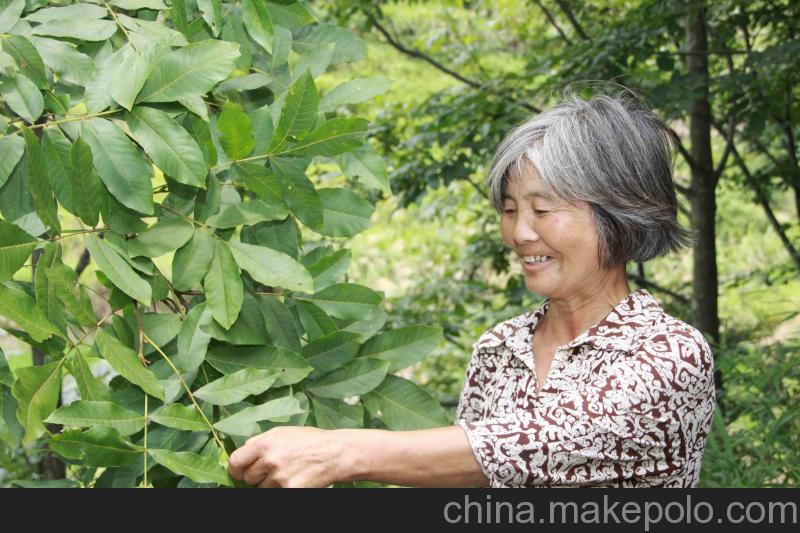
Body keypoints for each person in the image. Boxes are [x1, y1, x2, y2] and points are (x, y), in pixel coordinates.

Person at [227, 91, 717, 488]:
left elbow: (532, 447)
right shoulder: (499, 348)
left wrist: (337, 452)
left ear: (619, 214)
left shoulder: (668, 355)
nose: (520, 233)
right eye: (509, 210)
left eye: (542, 210)